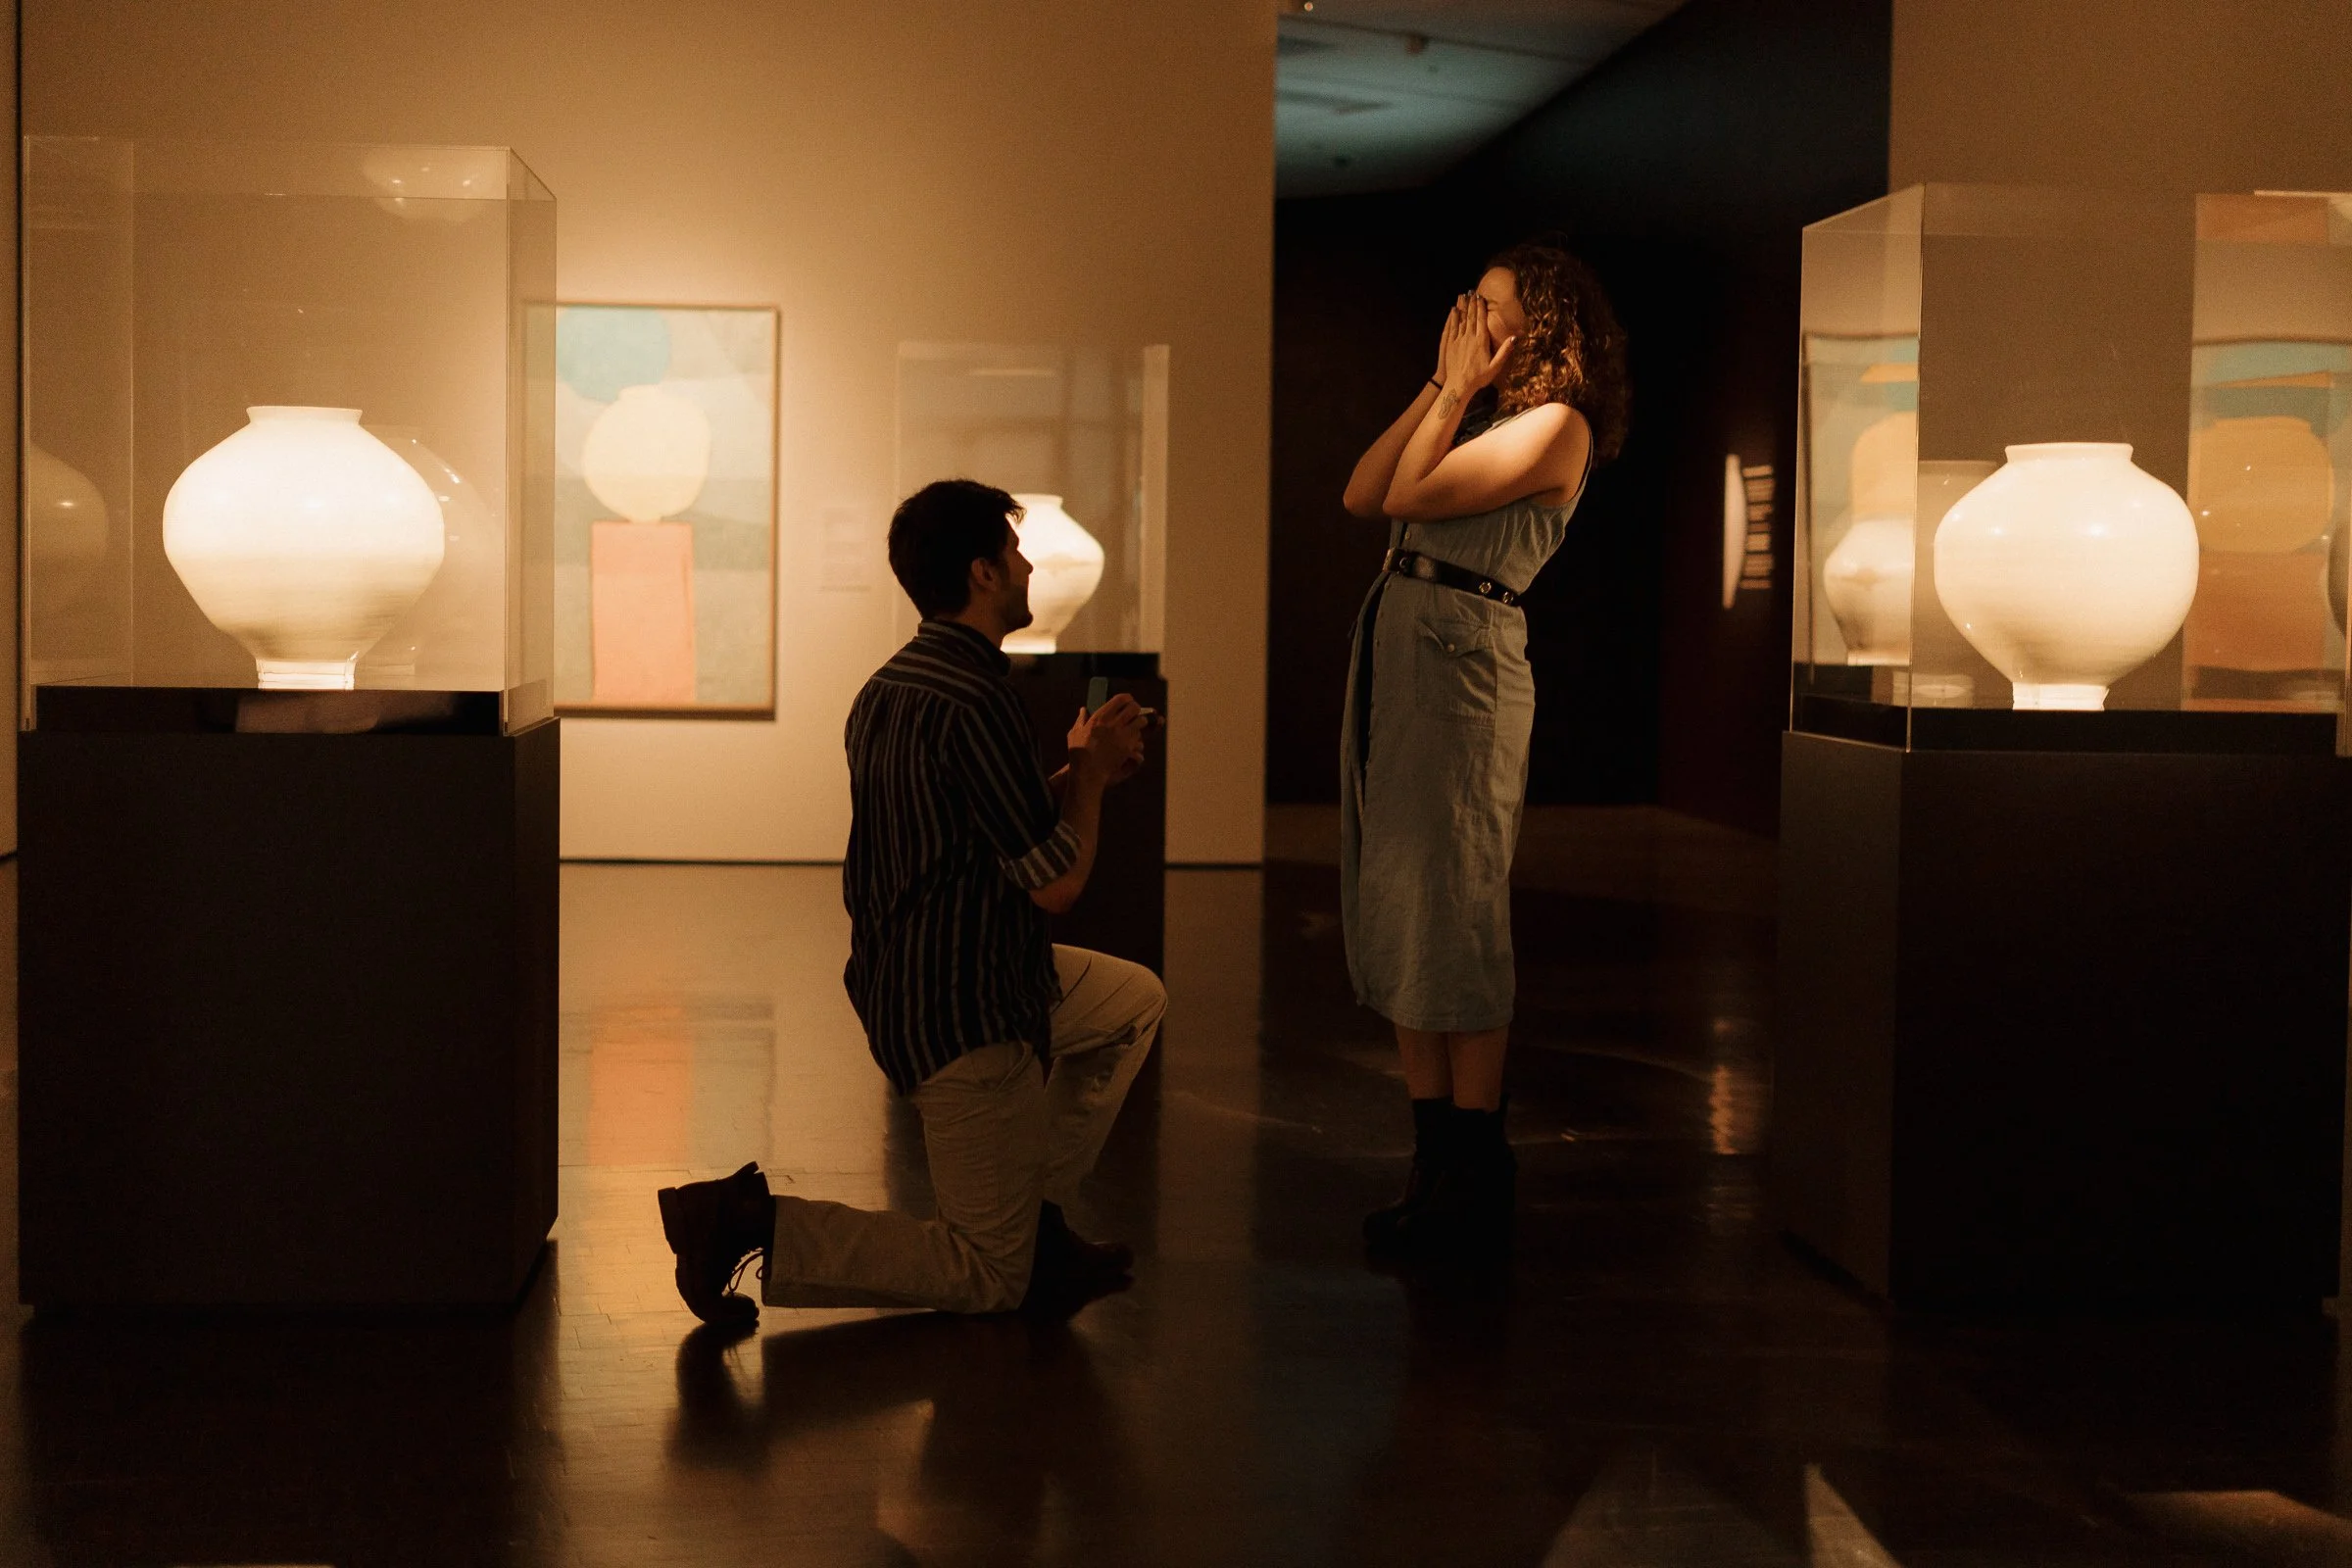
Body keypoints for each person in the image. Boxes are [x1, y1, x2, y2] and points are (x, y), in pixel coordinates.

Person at [658, 478, 1166, 1327]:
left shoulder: (892, 686)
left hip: (912, 978)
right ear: (983, 574)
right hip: (969, 1009)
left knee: (1131, 1002)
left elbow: (980, 828)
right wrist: (1095, 786)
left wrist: (1085, 768)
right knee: (986, 1276)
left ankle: (1035, 1222)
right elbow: (1057, 883)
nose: (1030, 563)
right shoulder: (977, 701)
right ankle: (749, 1222)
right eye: (1016, 553)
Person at [1338, 239, 1629, 1258]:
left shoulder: (1555, 425)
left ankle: (1473, 1169)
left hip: (1462, 666)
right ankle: (1434, 1162)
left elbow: (1413, 498)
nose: (1475, 320)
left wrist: (1453, 394)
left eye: (1494, 307)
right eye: (1469, 302)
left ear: (1544, 326)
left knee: (1457, 899)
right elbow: (1364, 492)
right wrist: (1440, 386)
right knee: (1406, 892)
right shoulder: (1484, 413)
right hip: (1413, 654)